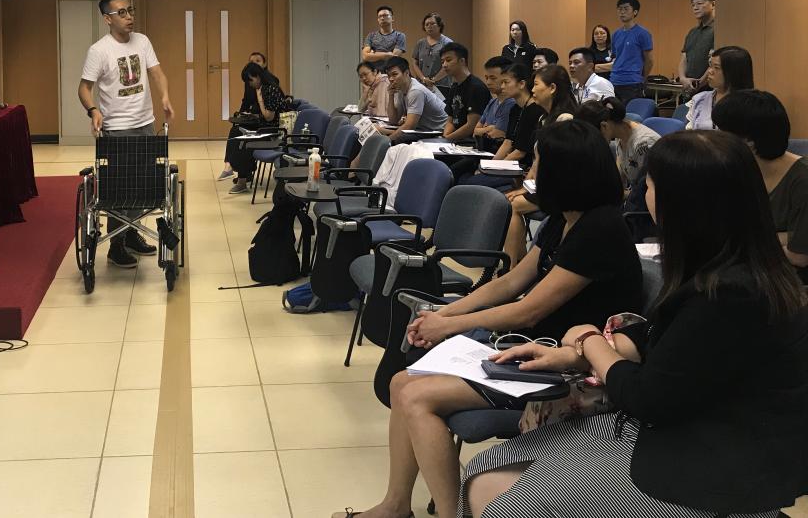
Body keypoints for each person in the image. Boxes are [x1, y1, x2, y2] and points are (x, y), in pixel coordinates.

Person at [464, 130, 808, 518]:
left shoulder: (731, 292)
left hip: (720, 464)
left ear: (680, 203)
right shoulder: (725, 264)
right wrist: (576, 355)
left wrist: (590, 341)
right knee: (483, 470)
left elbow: (648, 396)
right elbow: (663, 338)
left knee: (506, 502)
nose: (643, 193)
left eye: (649, 185)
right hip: (690, 427)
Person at [336, 120, 643, 518]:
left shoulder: (601, 230)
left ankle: (452, 513)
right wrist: (443, 312)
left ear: (564, 173)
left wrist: (449, 325)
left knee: (416, 396)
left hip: (572, 369)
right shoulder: (565, 219)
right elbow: (512, 281)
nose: (531, 171)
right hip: (531, 353)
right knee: (401, 383)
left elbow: (530, 309)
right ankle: (396, 505)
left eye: (538, 163)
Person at [78, 0, 173, 267]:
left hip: (145, 124)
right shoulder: (99, 50)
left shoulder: (142, 41)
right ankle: (115, 245)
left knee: (143, 183)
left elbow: (157, 73)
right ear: (107, 19)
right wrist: (93, 110)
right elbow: (84, 88)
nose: (129, 16)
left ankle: (131, 234)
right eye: (121, 12)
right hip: (117, 129)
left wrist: (165, 96)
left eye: (130, 11)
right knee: (120, 187)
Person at [713, 90, 808, 283]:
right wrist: (783, 237)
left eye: (721, 132)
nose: (714, 139)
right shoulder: (736, 169)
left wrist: (744, 240)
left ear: (749, 141)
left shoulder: (802, 181)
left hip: (788, 281)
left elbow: (799, 256)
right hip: (750, 268)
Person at [500, 65, 578, 264]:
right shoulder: (544, 118)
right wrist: (525, 187)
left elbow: (562, 167)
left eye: (536, 84)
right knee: (510, 201)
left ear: (552, 88)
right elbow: (537, 163)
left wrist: (529, 190)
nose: (532, 89)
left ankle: (513, 267)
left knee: (513, 205)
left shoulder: (565, 119)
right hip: (545, 185)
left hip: (564, 189)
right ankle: (519, 263)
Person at [576, 97, 661, 234]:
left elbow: (645, 193)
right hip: (632, 202)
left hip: (643, 213)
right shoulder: (621, 136)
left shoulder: (644, 144)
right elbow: (618, 181)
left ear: (604, 126)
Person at [223, 62, 291, 194]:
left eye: (250, 80)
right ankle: (233, 168)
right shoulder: (263, 88)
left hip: (275, 132)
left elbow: (269, 117)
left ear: (258, 76)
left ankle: (242, 180)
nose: (250, 84)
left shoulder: (271, 89)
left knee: (243, 140)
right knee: (236, 130)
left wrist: (260, 99)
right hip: (266, 127)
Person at [218, 51, 274, 180]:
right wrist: (241, 115)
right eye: (251, 61)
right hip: (254, 118)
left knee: (242, 135)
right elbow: (246, 101)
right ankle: (230, 166)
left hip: (265, 122)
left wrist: (258, 104)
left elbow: (269, 113)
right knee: (235, 129)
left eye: (258, 61)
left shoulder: (271, 83)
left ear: (264, 64)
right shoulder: (250, 81)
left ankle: (243, 174)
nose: (254, 64)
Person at [378, 56, 446, 142]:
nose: (391, 79)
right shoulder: (401, 88)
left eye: (394, 74)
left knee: (399, 139)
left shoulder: (416, 91)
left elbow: (409, 126)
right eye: (389, 76)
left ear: (406, 73)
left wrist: (386, 141)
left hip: (439, 131)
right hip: (423, 129)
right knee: (381, 132)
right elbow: (393, 120)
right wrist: (391, 95)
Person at [686, 44, 752, 130]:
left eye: (716, 67)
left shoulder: (750, 105)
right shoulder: (700, 99)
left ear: (733, 72)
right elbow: (689, 133)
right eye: (710, 66)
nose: (710, 71)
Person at [440, 43, 491, 142]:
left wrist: (447, 140)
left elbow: (471, 126)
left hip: (470, 142)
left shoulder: (476, 87)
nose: (444, 65)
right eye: (442, 62)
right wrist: (445, 137)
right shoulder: (454, 87)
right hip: (454, 140)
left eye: (448, 60)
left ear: (462, 61)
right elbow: (450, 120)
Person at [610, 0, 653, 103]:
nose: (622, 12)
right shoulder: (616, 34)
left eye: (626, 9)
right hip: (614, 80)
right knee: (614, 111)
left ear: (635, 12)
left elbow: (649, 60)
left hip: (632, 82)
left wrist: (642, 78)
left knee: (630, 112)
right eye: (620, 9)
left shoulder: (643, 33)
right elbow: (615, 57)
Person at [471, 56, 516, 154]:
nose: (488, 82)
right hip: (483, 151)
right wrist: (490, 128)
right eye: (486, 78)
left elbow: (497, 134)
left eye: (493, 78)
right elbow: (475, 132)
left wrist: (484, 130)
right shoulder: (492, 102)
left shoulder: (511, 104)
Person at [678, 0, 715, 100]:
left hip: (708, 91)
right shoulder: (692, 32)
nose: (695, 7)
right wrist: (683, 79)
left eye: (699, 3)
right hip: (689, 89)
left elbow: (714, 63)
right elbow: (684, 58)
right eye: (693, 5)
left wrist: (698, 84)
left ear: (713, 4)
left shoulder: (718, 30)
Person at [410, 13, 452, 91]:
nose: (429, 26)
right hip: (422, 84)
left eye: (432, 24)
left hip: (442, 85)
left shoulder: (447, 43)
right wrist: (423, 78)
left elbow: (449, 65)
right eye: (427, 24)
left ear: (439, 25)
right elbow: (415, 63)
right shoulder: (420, 43)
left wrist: (433, 80)